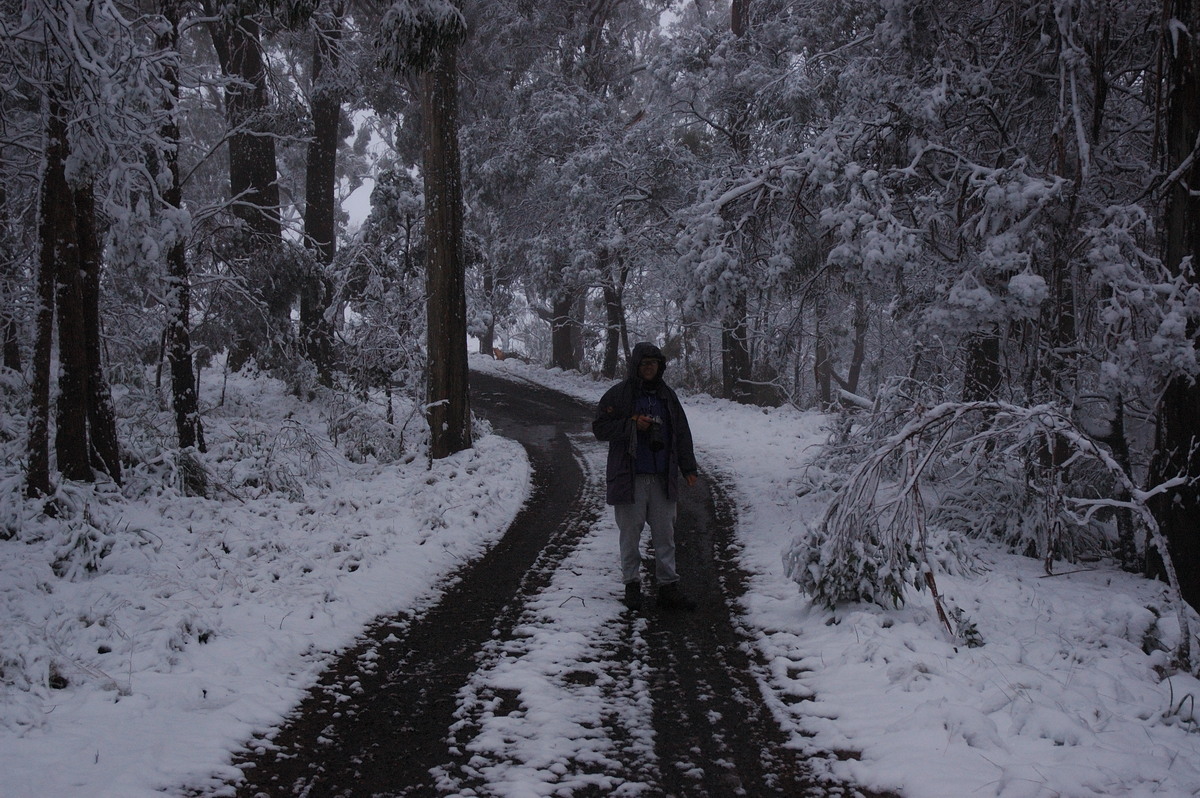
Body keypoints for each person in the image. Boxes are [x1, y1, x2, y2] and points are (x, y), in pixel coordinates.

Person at [593, 342, 699, 611]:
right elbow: (599, 428)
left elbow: (682, 433)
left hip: (663, 477)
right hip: (630, 477)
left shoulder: (668, 396)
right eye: (645, 363)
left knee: (666, 535)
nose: (650, 367)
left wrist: (688, 468)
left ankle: (668, 588)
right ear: (635, 366)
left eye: (654, 363)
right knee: (630, 535)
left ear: (660, 366)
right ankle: (632, 586)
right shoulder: (619, 395)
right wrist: (631, 424)